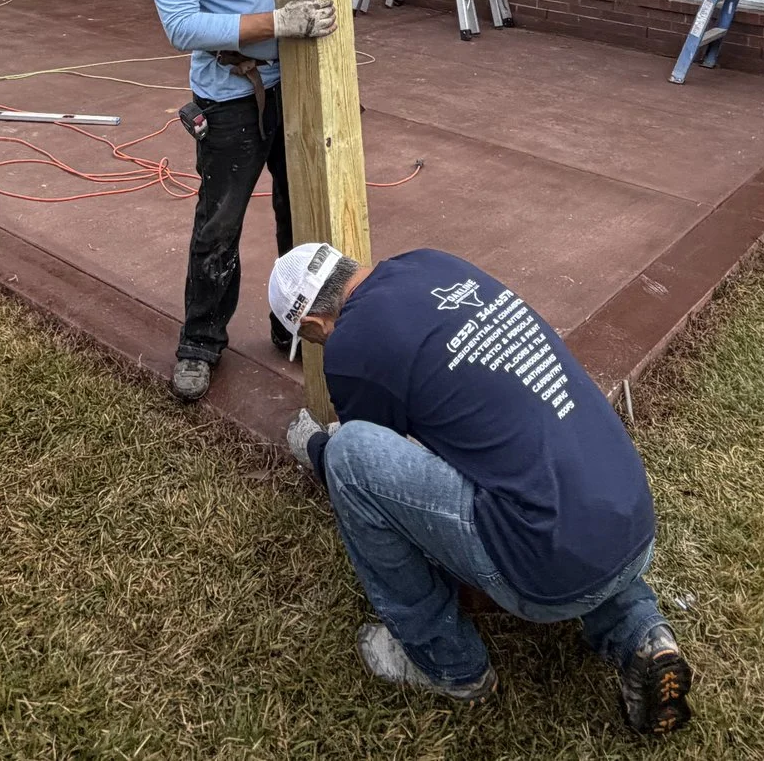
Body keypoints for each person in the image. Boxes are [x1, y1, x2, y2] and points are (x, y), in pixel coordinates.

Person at [268, 241, 694, 736]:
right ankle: (643, 633)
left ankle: (448, 665)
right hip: (631, 516)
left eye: (313, 341)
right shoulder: (430, 262)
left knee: (350, 456)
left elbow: (374, 456)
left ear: (314, 326)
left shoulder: (349, 346)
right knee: (539, 478)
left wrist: (318, 448)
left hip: (543, 575)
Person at [143, 0, 337, 403]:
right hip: (229, 91)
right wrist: (276, 23)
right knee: (219, 224)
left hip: (294, 81)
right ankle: (201, 342)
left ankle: (294, 328)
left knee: (300, 213)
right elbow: (181, 26)